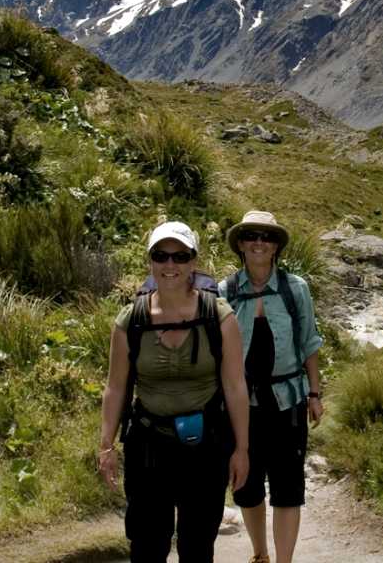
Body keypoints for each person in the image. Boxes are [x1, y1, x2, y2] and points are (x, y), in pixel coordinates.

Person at [99, 221, 251, 563]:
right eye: (161, 256)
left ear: (193, 262)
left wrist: (241, 449)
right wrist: (106, 445)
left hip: (207, 447)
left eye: (180, 256)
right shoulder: (130, 321)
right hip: (149, 445)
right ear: (150, 262)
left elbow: (235, 385)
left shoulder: (219, 317)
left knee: (197, 545)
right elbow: (115, 386)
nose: (171, 266)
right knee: (147, 544)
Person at [220, 211, 324, 563]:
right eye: (251, 236)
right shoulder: (226, 291)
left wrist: (315, 394)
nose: (259, 242)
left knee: (287, 488)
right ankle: (259, 554)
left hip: (288, 402)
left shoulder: (296, 289)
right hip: (241, 404)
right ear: (241, 244)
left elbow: (309, 343)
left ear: (276, 245)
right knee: (247, 488)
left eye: (266, 237)